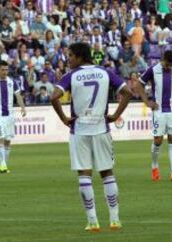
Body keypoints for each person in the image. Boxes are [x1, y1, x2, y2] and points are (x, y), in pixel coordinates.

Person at [50, 43, 133, 231]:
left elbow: (54, 96)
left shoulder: (71, 75)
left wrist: (64, 118)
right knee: (107, 173)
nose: (68, 59)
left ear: (80, 57)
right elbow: (127, 92)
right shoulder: (105, 72)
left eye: (70, 55)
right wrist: (115, 115)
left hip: (79, 130)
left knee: (84, 175)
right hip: (101, 128)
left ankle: (93, 221)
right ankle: (114, 219)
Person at [135, 50, 172, 182]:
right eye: (167, 64)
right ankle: (154, 166)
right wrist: (146, 101)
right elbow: (139, 84)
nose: (168, 67)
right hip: (159, 110)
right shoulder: (153, 70)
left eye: (170, 65)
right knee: (158, 141)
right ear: (163, 59)